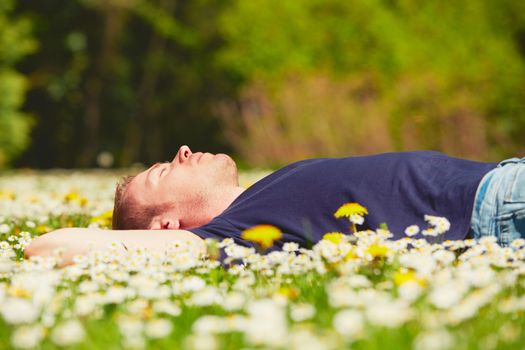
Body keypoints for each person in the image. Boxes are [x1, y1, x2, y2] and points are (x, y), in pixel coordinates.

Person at [25, 145, 525, 264]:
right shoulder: (223, 234)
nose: (180, 151)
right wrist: (138, 243)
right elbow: (45, 249)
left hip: (503, 178)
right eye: (163, 173)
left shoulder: (261, 198)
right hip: (495, 210)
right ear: (166, 225)